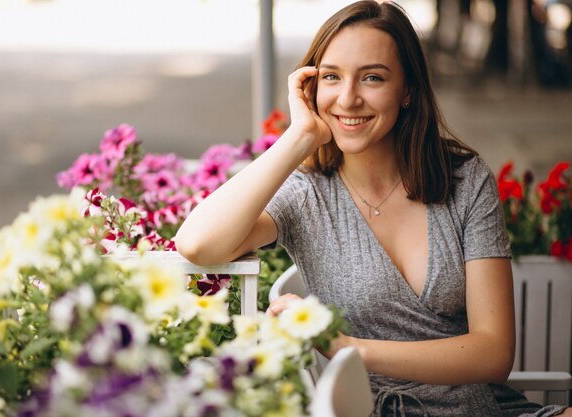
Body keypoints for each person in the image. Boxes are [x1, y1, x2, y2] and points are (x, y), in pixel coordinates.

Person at [175, 1, 571, 416]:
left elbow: (493, 353)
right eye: (331, 77)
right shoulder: (305, 194)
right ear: (311, 89)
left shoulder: (466, 181)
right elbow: (198, 244)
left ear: (407, 92)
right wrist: (299, 137)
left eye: (372, 78)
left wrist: (351, 350)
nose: (348, 98)